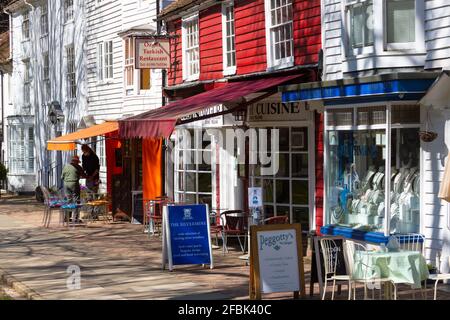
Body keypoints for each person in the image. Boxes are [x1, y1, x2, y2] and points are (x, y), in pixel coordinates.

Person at [61, 155, 86, 222]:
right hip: (74, 184)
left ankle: (67, 217)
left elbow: (62, 177)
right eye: (78, 162)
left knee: (69, 200)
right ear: (77, 161)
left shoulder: (66, 166)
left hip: (66, 184)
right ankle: (75, 218)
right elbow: (84, 175)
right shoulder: (78, 167)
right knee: (76, 200)